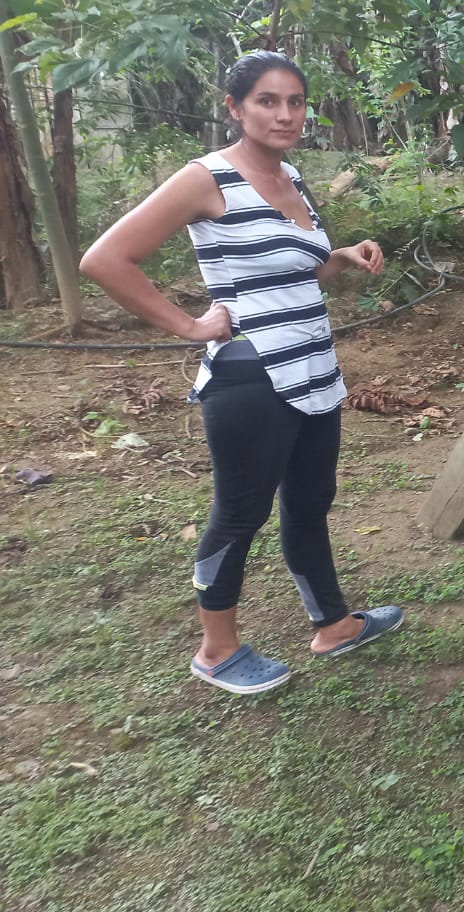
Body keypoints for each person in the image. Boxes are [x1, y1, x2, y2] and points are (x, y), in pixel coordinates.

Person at [81, 51, 403, 695]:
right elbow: (106, 259)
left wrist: (338, 257)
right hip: (253, 379)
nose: (285, 114)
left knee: (309, 503)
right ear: (235, 107)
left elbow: (292, 274)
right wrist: (189, 326)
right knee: (239, 514)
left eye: (295, 102)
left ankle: (333, 624)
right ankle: (216, 650)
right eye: (267, 101)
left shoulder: (292, 177)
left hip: (314, 369)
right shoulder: (206, 179)